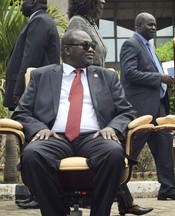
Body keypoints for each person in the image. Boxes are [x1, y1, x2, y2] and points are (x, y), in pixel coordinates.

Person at [11, 29, 136, 216]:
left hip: (94, 137)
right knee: (32, 154)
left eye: (92, 46)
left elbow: (127, 111)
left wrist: (111, 127)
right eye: (85, 46)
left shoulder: (107, 77)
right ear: (67, 50)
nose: (91, 50)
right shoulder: (41, 76)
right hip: (54, 137)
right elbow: (21, 112)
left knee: (114, 152)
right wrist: (40, 128)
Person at [66, 1, 153, 214]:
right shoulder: (77, 22)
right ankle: (124, 201)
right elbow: (77, 58)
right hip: (87, 89)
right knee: (111, 148)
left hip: (100, 87)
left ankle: (124, 201)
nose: (103, 3)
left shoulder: (92, 23)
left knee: (113, 148)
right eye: (99, 1)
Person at [119, 12, 175, 213]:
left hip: (158, 106)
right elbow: (129, 73)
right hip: (141, 108)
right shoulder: (131, 44)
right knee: (131, 149)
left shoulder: (149, 47)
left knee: (164, 145)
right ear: (138, 25)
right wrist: (158, 78)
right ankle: (116, 185)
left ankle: (168, 189)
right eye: (150, 25)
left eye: (155, 25)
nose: (154, 28)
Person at [3, 0, 60, 209]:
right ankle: (37, 193)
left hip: (34, 96)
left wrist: (19, 92)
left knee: (36, 146)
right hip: (37, 95)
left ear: (35, 1)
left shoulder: (40, 22)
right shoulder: (40, 21)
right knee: (32, 144)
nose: (20, 4)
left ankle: (41, 195)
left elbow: (30, 60)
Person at [66, 0, 107, 67]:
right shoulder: (77, 22)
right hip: (85, 75)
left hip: (95, 74)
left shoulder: (92, 23)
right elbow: (75, 56)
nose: (103, 1)